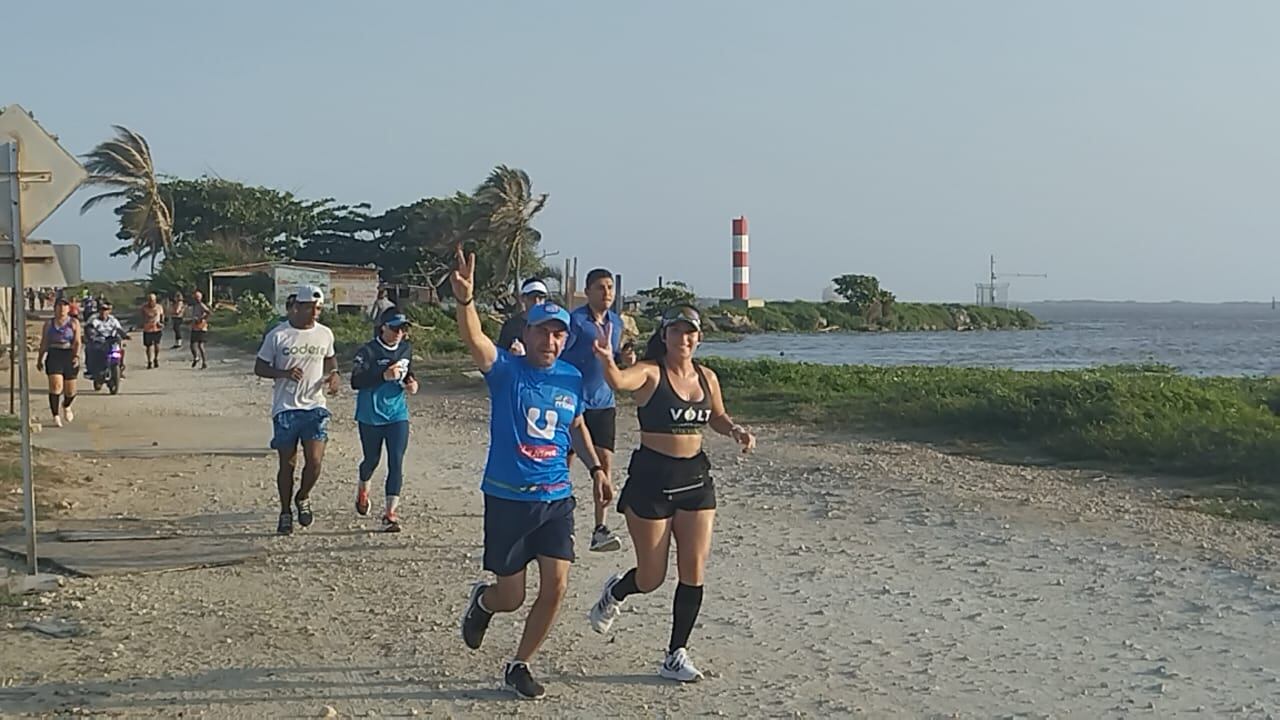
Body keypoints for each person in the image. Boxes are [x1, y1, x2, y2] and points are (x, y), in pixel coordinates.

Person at [450, 246, 612, 700]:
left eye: (559, 335)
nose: (552, 342)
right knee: (512, 596)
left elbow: (577, 423)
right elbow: (476, 340)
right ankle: (483, 602)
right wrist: (466, 301)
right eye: (544, 333)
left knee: (557, 584)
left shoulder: (570, 378)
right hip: (507, 498)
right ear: (528, 331)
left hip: (556, 498)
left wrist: (597, 468)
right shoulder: (506, 371)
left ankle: (520, 663)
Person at [586, 304, 756, 683]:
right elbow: (618, 381)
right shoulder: (650, 372)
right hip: (651, 480)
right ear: (664, 336)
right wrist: (605, 359)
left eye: (690, 332)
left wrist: (735, 430)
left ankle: (675, 654)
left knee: (694, 570)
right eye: (676, 331)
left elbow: (715, 415)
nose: (685, 338)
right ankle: (616, 591)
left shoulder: (707, 377)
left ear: (699, 337)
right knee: (651, 577)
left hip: (695, 478)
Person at [253, 285, 340, 535]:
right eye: (310, 308)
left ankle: (303, 497)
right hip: (286, 408)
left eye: (319, 308)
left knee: (314, 461)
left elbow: (330, 358)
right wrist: (283, 373)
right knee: (287, 463)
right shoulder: (278, 335)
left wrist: (334, 375)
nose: (315, 313)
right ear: (296, 306)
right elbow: (259, 367)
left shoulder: (325, 333)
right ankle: (285, 512)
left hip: (315, 406)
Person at [560, 268, 625, 552]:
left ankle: (600, 528)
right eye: (600, 287)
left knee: (604, 465)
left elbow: (615, 357)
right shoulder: (575, 322)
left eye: (610, 287)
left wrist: (625, 359)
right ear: (587, 292)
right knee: (565, 465)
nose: (607, 292)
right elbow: (558, 355)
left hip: (604, 402)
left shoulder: (617, 322)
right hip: (574, 403)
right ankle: (560, 525)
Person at [350, 307, 419, 532]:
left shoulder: (406, 349)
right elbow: (356, 381)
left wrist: (412, 383)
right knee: (371, 460)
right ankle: (363, 490)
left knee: (396, 462)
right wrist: (382, 376)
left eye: (403, 329)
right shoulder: (368, 351)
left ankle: (390, 514)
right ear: (383, 328)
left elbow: (408, 371)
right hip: (371, 415)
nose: (400, 333)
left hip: (397, 414)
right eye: (395, 328)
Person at [35, 298, 81, 428]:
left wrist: (76, 356)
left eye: (65, 306)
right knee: (55, 386)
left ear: (68, 309)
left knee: (70, 391)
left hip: (68, 354)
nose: (62, 309)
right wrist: (40, 359)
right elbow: (44, 342)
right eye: (59, 306)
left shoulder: (73, 322)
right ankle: (55, 415)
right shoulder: (49, 324)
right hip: (54, 353)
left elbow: (77, 341)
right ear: (55, 308)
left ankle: (66, 405)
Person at [497, 278, 550, 354]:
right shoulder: (511, 325)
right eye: (533, 297)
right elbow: (501, 354)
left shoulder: (551, 325)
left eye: (541, 297)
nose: (537, 301)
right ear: (523, 298)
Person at [84, 302, 128, 383]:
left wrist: (125, 335)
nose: (104, 311)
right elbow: (88, 328)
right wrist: (90, 335)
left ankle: (120, 367)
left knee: (120, 350)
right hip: (98, 341)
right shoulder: (93, 319)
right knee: (90, 349)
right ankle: (90, 370)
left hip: (111, 340)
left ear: (109, 311)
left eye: (106, 309)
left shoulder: (113, 320)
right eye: (102, 309)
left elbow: (119, 329)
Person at [139, 293, 165, 369]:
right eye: (150, 300)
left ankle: (156, 359)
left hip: (157, 328)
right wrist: (142, 323)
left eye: (153, 300)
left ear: (155, 300)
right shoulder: (144, 308)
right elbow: (141, 317)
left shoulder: (159, 307)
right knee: (148, 347)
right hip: (147, 329)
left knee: (157, 346)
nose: (151, 302)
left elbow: (162, 315)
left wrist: (162, 322)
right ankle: (149, 361)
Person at [187, 290, 211, 369]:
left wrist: (201, 319)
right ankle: (196, 357)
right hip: (194, 327)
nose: (196, 299)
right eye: (195, 297)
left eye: (197, 297)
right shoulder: (194, 306)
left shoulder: (201, 305)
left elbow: (208, 312)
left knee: (200, 345)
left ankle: (204, 362)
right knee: (192, 345)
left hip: (201, 327)